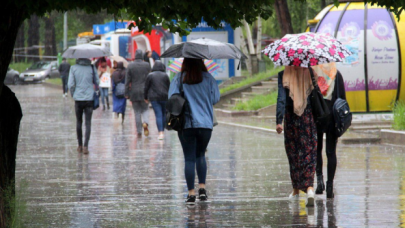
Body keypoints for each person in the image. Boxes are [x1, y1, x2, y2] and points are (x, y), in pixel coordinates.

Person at [168, 58, 220, 205]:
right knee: (201, 155)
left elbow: (171, 99)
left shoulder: (179, 78)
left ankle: (191, 193)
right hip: (205, 124)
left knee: (189, 158)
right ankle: (202, 190)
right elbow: (215, 98)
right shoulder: (209, 78)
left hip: (186, 124)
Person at [276, 66, 317, 207]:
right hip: (307, 117)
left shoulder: (283, 74)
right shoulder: (310, 72)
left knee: (293, 153)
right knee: (309, 151)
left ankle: (296, 190)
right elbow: (315, 94)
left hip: (290, 118)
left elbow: (281, 98)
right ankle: (310, 188)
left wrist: (278, 121)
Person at [313, 63, 346, 199]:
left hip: (317, 116)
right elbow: (342, 99)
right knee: (331, 152)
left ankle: (320, 183)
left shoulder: (314, 74)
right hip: (332, 117)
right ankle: (330, 187)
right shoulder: (337, 75)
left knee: (317, 150)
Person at [68, 58, 99, 154]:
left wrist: (74, 94)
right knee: (88, 122)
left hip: (78, 99)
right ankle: (86, 146)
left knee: (78, 122)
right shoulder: (92, 67)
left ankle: (80, 145)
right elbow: (97, 82)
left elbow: (70, 84)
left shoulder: (73, 68)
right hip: (89, 99)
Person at [125, 49, 151, 137]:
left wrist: (126, 93)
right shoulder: (147, 65)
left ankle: (139, 131)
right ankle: (145, 122)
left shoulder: (130, 66)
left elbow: (127, 81)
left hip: (134, 92)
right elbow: (149, 79)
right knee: (145, 109)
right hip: (145, 92)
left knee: (137, 112)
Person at [144, 60, 170, 140]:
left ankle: (160, 133)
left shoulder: (150, 75)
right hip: (165, 97)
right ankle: (163, 130)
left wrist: (145, 97)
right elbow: (169, 86)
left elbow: (146, 87)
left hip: (154, 98)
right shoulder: (165, 75)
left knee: (158, 114)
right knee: (164, 114)